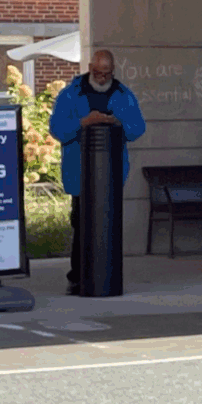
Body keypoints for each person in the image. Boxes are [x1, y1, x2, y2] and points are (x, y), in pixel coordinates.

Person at [47, 49, 145, 296]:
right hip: (79, 173)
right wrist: (84, 122)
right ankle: (78, 277)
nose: (101, 78)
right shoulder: (70, 94)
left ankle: (107, 275)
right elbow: (57, 129)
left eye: (107, 74)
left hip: (110, 176)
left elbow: (137, 128)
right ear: (90, 68)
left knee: (107, 225)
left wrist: (117, 122)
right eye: (97, 72)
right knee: (81, 225)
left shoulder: (123, 95)